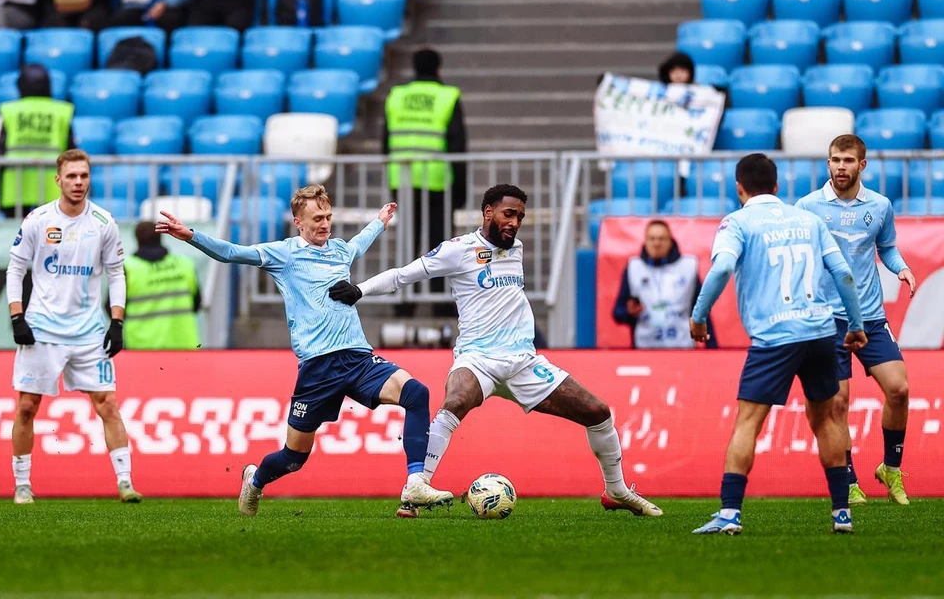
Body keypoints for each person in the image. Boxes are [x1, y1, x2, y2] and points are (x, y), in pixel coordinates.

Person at [329, 184, 663, 518]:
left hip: (523, 362)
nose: (515, 222)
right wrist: (360, 289)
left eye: (520, 216)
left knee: (598, 411)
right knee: (455, 401)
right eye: (508, 214)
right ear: (488, 211)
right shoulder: (459, 249)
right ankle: (415, 490)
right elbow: (403, 275)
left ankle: (616, 490)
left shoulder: (514, 247)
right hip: (478, 359)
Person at [155, 185, 454, 517]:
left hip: (358, 357)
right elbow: (231, 252)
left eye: (328, 217)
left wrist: (380, 221)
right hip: (318, 368)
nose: (325, 224)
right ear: (298, 221)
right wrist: (191, 235)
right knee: (294, 458)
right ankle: (255, 479)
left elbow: (357, 245)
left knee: (416, 392)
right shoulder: (284, 254)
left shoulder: (339, 250)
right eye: (317, 218)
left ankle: (414, 482)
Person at [688, 153, 867, 535]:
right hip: (821, 332)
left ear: (739, 189)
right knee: (827, 419)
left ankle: (730, 514)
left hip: (774, 338)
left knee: (749, 421)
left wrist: (699, 317)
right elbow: (844, 274)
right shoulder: (809, 219)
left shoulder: (737, 222)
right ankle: (842, 514)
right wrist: (854, 324)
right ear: (776, 187)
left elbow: (721, 267)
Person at [6, 149, 141, 505]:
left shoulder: (103, 221)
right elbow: (15, 270)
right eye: (71, 176)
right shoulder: (38, 220)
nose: (78, 182)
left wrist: (117, 321)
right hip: (42, 329)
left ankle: (125, 482)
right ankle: (22, 485)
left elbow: (116, 273)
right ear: (58, 179)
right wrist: (17, 316)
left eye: (83, 176)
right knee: (26, 407)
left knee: (108, 404)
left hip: (88, 331)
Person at [795, 134, 915, 506]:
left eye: (847, 160)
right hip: (827, 319)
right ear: (827, 163)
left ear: (862, 165)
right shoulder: (808, 206)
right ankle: (847, 479)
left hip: (870, 317)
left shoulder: (879, 206)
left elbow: (887, 247)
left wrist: (902, 268)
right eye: (834, 160)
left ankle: (890, 468)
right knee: (839, 403)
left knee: (899, 389)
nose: (840, 167)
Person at [383, 48, 467, 314]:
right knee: (440, 246)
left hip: (403, 180)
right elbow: (458, 145)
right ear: (438, 69)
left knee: (407, 242)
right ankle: (440, 304)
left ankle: (403, 304)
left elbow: (385, 143)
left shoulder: (397, 96)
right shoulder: (447, 96)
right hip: (437, 182)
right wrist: (461, 187)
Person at [612, 219, 716, 349]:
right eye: (652, 238)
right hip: (644, 348)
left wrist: (713, 348)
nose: (656, 243)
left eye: (661, 239)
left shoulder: (687, 267)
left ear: (670, 241)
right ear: (645, 241)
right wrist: (630, 313)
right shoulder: (634, 268)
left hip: (682, 347)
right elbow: (617, 313)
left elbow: (701, 311)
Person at [0, 63, 76, 219]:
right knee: (52, 239)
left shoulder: (10, 110)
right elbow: (71, 152)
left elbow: (0, 151)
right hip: (53, 188)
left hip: (16, 188)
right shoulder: (61, 111)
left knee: (18, 240)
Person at [123, 220, 201, 350]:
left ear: (137, 239)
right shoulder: (185, 265)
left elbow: (113, 308)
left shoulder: (129, 268)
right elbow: (196, 304)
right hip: (183, 344)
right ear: (161, 237)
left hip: (141, 346)